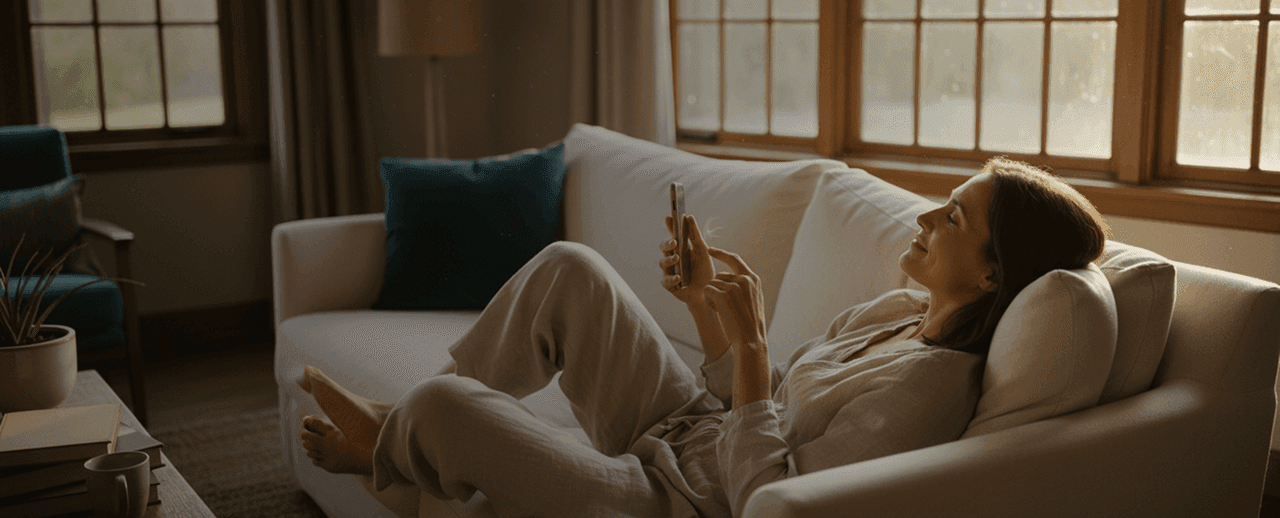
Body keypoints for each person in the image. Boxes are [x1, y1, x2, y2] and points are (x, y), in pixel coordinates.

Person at [295, 157, 1109, 517]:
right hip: (690, 432)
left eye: (955, 216)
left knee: (445, 406)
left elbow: (769, 499)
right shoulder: (892, 312)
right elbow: (753, 404)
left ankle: (392, 443)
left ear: (995, 276)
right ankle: (393, 434)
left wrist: (753, 347)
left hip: (680, 504)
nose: (927, 216)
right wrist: (705, 314)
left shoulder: (932, 393)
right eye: (942, 201)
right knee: (570, 267)